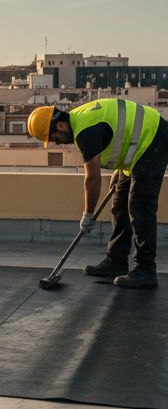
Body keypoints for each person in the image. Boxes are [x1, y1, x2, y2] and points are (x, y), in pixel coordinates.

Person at [28, 98, 168, 288]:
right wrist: (120, 167)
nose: (57, 143)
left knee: (140, 207)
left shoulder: (85, 131)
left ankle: (145, 270)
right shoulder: (80, 119)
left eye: (54, 138)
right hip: (139, 147)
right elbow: (119, 132)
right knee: (119, 204)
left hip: (153, 139)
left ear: (60, 125)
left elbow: (93, 178)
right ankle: (116, 261)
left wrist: (88, 214)